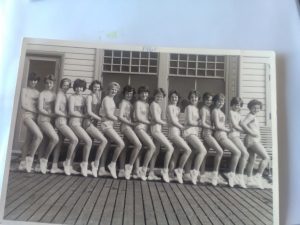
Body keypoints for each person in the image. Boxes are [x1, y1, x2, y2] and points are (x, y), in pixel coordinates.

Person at [211, 93, 241, 187]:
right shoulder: (215, 111)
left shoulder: (221, 112)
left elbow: (222, 125)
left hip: (224, 134)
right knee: (237, 152)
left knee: (220, 154)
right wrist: (227, 129)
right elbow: (217, 125)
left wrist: (228, 127)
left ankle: (215, 175)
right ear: (215, 102)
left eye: (222, 101)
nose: (221, 103)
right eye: (219, 101)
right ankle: (231, 175)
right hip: (220, 135)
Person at [240, 99, 269, 189]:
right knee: (266, 157)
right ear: (250, 108)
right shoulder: (251, 116)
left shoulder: (253, 116)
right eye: (254, 107)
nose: (256, 109)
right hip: (252, 140)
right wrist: (251, 133)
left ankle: (249, 180)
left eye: (258, 108)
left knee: (252, 160)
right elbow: (242, 124)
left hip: (250, 140)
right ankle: (258, 176)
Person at [98, 82, 125, 179]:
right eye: (112, 89)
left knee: (106, 146)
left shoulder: (112, 100)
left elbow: (111, 114)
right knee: (121, 144)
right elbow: (108, 115)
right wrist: (119, 119)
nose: (114, 91)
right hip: (106, 126)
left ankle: (101, 169)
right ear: (108, 90)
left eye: (115, 90)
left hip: (110, 125)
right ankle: (112, 164)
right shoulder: (106, 99)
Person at [53, 78, 79, 175]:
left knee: (59, 143)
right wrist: (67, 116)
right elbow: (56, 110)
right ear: (61, 85)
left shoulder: (65, 95)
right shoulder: (60, 95)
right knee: (74, 140)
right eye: (65, 85)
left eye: (68, 85)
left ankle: (54, 166)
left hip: (64, 121)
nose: (66, 87)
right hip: (61, 121)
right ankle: (67, 162)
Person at [148, 88, 174, 183]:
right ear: (154, 96)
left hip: (157, 130)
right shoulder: (154, 105)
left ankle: (151, 173)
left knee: (156, 152)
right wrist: (166, 123)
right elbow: (155, 119)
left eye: (161, 97)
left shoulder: (157, 106)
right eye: (157, 96)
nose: (159, 98)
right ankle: (165, 170)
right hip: (155, 131)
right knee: (170, 148)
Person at [83, 80, 108, 177]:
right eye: (94, 87)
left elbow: (97, 111)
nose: (96, 89)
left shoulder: (97, 97)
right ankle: (94, 164)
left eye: (98, 87)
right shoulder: (89, 97)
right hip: (88, 123)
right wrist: (101, 119)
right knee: (103, 141)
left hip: (94, 123)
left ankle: (87, 165)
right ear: (91, 87)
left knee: (89, 144)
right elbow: (89, 112)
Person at [19, 72, 43, 173]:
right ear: (29, 80)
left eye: (35, 81)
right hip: (27, 116)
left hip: (36, 117)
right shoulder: (24, 90)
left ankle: (22, 163)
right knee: (39, 136)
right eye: (32, 80)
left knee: (28, 140)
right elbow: (23, 105)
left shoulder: (38, 93)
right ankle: (30, 160)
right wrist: (35, 111)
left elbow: (40, 105)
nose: (33, 82)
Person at [166, 90, 192, 184]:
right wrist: (183, 128)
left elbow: (178, 120)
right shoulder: (169, 107)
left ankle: (170, 172)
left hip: (177, 132)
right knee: (188, 150)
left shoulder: (177, 108)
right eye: (172, 97)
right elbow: (173, 121)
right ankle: (179, 170)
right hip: (173, 133)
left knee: (176, 153)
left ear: (178, 98)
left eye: (176, 97)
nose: (174, 99)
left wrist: (183, 126)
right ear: (169, 99)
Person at [182, 90, 207, 185]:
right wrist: (199, 123)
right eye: (192, 97)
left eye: (195, 97)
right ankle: (195, 172)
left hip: (194, 132)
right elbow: (189, 121)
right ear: (189, 98)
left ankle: (187, 173)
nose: (194, 99)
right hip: (189, 132)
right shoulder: (188, 107)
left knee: (192, 153)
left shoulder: (196, 109)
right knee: (203, 150)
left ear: (198, 99)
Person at [118, 85, 142, 180]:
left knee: (125, 147)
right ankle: (129, 166)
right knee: (138, 145)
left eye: (131, 94)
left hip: (129, 126)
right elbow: (120, 117)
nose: (129, 95)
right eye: (127, 93)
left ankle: (121, 170)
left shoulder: (129, 103)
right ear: (124, 94)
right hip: (126, 126)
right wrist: (131, 124)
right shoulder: (124, 102)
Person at [68, 79, 92, 177]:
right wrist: (83, 116)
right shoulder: (72, 97)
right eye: (77, 87)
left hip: (80, 123)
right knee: (88, 141)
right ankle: (84, 164)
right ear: (75, 88)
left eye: (81, 87)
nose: (79, 89)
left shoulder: (83, 98)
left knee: (76, 143)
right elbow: (71, 112)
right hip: (74, 123)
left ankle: (69, 165)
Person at [37, 74, 59, 174]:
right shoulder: (42, 94)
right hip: (43, 119)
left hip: (50, 120)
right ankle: (44, 160)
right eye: (47, 83)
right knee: (55, 138)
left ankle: (38, 164)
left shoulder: (54, 95)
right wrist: (51, 114)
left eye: (50, 82)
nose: (48, 84)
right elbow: (40, 109)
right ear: (44, 83)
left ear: (53, 84)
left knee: (45, 140)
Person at [132, 86, 156, 181]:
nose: (144, 94)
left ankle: (136, 171)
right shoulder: (137, 103)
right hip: (139, 128)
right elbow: (137, 117)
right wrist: (149, 122)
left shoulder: (147, 104)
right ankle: (144, 170)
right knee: (152, 147)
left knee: (141, 148)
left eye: (146, 93)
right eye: (142, 93)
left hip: (145, 129)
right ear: (139, 94)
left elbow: (148, 117)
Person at [200, 92, 223, 186]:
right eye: (207, 100)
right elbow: (202, 123)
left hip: (210, 134)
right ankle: (214, 175)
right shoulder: (203, 109)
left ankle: (201, 174)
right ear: (204, 100)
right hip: (207, 134)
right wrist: (212, 127)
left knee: (205, 153)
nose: (209, 101)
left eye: (210, 100)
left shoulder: (209, 109)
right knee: (220, 151)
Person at [228, 97, 249, 188]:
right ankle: (232, 175)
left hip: (236, 135)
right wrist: (244, 131)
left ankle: (239, 176)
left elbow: (242, 124)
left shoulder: (238, 114)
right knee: (243, 153)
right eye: (236, 104)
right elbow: (235, 125)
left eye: (240, 105)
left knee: (244, 154)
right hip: (232, 135)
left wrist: (249, 130)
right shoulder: (231, 112)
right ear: (232, 104)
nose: (238, 106)